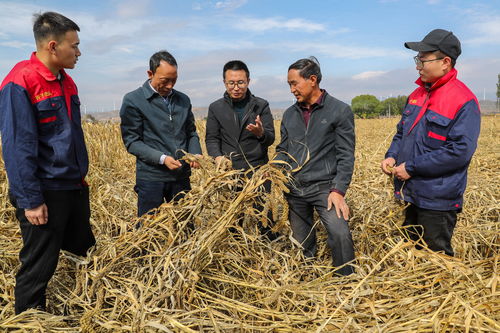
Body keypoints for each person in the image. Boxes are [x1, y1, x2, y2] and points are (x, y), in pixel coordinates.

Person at [0, 12, 95, 314]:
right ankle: (30, 318)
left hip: (73, 187)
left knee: (82, 252)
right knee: (39, 265)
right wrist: (31, 200)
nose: (78, 53)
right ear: (53, 46)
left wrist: (80, 179)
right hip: (45, 192)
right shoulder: (21, 81)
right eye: (74, 46)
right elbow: (17, 146)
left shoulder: (67, 83)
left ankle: (77, 310)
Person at [381, 29, 481, 256]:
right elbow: (401, 133)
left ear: (445, 62)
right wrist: (392, 156)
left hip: (437, 199)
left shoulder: (463, 100)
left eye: (423, 60)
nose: (417, 65)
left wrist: (411, 168)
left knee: (435, 261)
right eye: (417, 59)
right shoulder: (416, 94)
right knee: (411, 255)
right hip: (409, 193)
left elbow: (459, 151)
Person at [276, 57, 356, 275]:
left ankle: (346, 282)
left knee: (340, 234)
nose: (292, 89)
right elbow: (282, 150)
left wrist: (338, 190)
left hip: (325, 189)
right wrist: (273, 172)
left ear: (312, 79)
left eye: (294, 83)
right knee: (301, 244)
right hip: (295, 189)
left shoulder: (339, 111)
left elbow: (346, 155)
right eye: (289, 84)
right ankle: (307, 281)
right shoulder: (290, 114)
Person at [120, 50, 202, 217]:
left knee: (184, 226)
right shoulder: (134, 100)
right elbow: (132, 141)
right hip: (152, 178)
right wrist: (162, 159)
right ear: (150, 74)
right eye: (165, 81)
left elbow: (191, 132)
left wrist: (195, 153)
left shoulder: (183, 100)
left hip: (181, 177)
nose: (170, 86)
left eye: (174, 80)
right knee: (149, 230)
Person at [205, 60, 277, 238]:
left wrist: (261, 133)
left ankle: (268, 251)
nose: (236, 87)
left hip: (258, 171)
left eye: (240, 82)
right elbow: (212, 138)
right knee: (233, 219)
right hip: (230, 172)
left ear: (248, 81)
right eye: (231, 83)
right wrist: (217, 157)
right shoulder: (216, 108)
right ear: (224, 83)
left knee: (264, 217)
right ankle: (236, 251)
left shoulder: (261, 105)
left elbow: (270, 138)